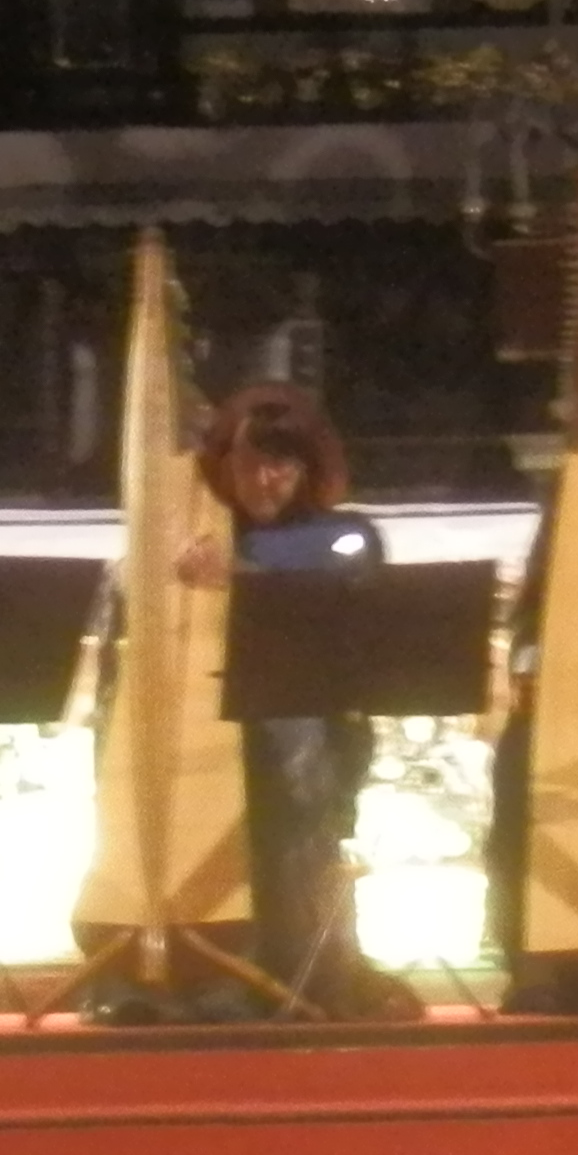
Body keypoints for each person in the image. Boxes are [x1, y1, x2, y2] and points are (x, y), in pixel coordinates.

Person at [189, 381, 407, 1015]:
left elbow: (337, 604)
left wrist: (240, 578)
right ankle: (214, 959)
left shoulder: (346, 535)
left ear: (310, 466)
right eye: (248, 464)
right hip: (218, 729)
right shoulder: (202, 534)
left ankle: (309, 962)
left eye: (281, 464)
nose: (264, 481)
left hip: (319, 729)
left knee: (296, 737)